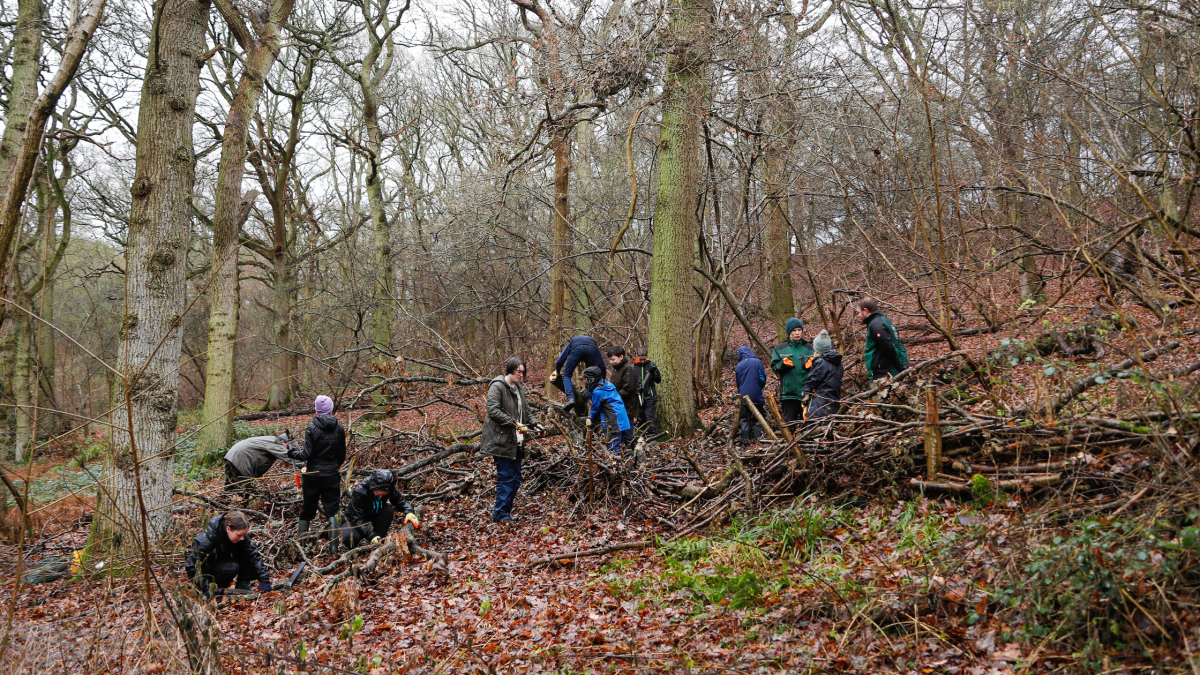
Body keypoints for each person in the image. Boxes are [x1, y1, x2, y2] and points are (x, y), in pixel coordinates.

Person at [480, 357, 538, 524]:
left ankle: (505, 512)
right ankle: (501, 515)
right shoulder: (497, 386)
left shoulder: (519, 388)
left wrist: (534, 422)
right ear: (510, 370)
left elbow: (525, 410)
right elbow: (493, 410)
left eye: (522, 372)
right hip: (500, 440)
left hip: (516, 441)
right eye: (518, 371)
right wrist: (514, 423)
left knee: (516, 478)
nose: (520, 375)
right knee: (506, 477)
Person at [287, 394, 346, 554]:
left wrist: (292, 453)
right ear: (331, 409)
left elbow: (306, 454)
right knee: (334, 510)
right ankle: (334, 549)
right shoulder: (339, 427)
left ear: (316, 409)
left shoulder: (311, 427)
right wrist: (333, 467)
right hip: (331, 475)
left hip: (313, 476)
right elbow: (342, 454)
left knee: (307, 510)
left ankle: (302, 549)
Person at [185, 511, 272, 597]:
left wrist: (264, 580)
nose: (242, 538)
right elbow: (192, 567)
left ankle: (243, 584)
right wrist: (205, 587)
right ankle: (210, 590)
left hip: (225, 563)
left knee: (248, 550)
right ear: (228, 529)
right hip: (208, 573)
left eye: (244, 535)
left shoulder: (241, 538)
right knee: (231, 567)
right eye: (239, 535)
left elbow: (254, 557)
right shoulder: (205, 541)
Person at [340, 469, 420, 549]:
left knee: (388, 510)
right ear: (373, 487)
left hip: (372, 516)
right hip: (353, 521)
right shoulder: (360, 491)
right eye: (379, 494)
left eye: (384, 494)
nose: (381, 496)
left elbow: (400, 501)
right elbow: (357, 518)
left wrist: (409, 512)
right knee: (351, 538)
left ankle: (379, 539)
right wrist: (371, 535)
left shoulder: (388, 487)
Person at [223, 433, 299, 503]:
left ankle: (222, 504)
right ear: (283, 442)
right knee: (246, 490)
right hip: (241, 458)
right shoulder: (276, 443)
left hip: (232, 455)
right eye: (288, 447)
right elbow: (287, 456)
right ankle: (243, 510)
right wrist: (306, 465)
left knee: (230, 486)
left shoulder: (270, 440)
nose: (287, 449)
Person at [771, 317, 814, 425]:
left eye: (799, 330)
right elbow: (774, 368)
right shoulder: (780, 349)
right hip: (788, 395)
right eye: (794, 330)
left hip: (806, 394)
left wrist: (812, 364)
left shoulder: (810, 348)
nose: (797, 333)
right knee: (790, 425)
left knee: (808, 425)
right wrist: (783, 364)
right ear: (789, 332)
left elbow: (819, 370)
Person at [854, 297, 909, 380]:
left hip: (885, 374)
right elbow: (899, 344)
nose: (858, 315)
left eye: (859, 312)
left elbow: (890, 348)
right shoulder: (885, 321)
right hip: (888, 371)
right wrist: (904, 364)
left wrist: (901, 366)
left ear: (865, 310)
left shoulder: (876, 325)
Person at [584, 366, 633, 453]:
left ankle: (616, 464)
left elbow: (595, 408)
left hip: (614, 421)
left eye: (587, 379)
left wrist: (590, 420)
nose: (586, 382)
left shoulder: (598, 391)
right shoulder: (606, 385)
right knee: (618, 444)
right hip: (621, 419)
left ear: (592, 379)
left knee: (613, 447)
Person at [551, 335, 606, 412]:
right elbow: (602, 365)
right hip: (591, 350)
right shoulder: (593, 343)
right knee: (591, 375)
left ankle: (571, 399)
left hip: (577, 349)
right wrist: (603, 379)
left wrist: (557, 371)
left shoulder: (573, 341)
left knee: (566, 375)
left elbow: (560, 360)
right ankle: (589, 400)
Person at [803, 330, 844, 422]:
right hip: (834, 402)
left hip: (820, 403)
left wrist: (805, 393)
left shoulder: (821, 362)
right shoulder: (838, 364)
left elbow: (812, 380)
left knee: (813, 426)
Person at [735, 346, 767, 442]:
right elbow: (762, 378)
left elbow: (738, 381)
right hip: (757, 395)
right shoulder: (757, 362)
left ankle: (746, 442)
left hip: (743, 396)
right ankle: (758, 441)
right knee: (758, 418)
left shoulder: (739, 365)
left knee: (745, 419)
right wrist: (758, 388)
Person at [606, 345, 641, 427]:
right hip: (618, 404)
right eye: (610, 360)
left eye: (613, 359)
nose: (611, 362)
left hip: (628, 405)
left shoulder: (628, 369)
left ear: (621, 357)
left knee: (627, 429)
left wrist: (614, 397)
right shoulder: (616, 369)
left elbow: (628, 388)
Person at [632, 348, 661, 435]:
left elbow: (658, 380)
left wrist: (654, 374)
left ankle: (651, 435)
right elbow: (631, 381)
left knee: (649, 415)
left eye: (644, 359)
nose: (643, 361)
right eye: (641, 359)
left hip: (650, 395)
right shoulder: (633, 367)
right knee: (640, 416)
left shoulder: (651, 366)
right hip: (639, 396)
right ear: (637, 356)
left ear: (647, 356)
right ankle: (641, 434)